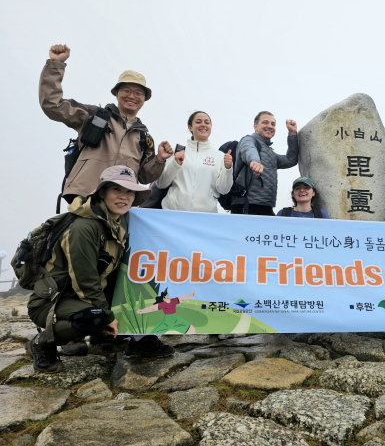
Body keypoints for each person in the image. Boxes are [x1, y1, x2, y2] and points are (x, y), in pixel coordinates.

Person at [26, 166, 174, 373]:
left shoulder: (119, 220)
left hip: (86, 294)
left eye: (129, 191)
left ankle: (140, 340)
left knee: (143, 290)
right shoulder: (84, 228)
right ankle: (42, 343)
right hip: (54, 300)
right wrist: (108, 316)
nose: (124, 197)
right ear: (102, 192)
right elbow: (85, 282)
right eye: (116, 190)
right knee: (95, 318)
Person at [40, 44, 173, 204]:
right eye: (126, 90)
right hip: (85, 197)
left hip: (120, 204)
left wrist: (159, 159)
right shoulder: (94, 116)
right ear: (116, 93)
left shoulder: (144, 138)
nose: (132, 96)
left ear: (144, 99)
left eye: (138, 93)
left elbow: (145, 177)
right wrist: (56, 64)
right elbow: (52, 105)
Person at [154, 111, 233, 212]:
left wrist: (228, 169)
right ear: (190, 127)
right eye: (198, 122)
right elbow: (161, 183)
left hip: (205, 217)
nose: (203, 125)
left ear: (210, 127)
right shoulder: (176, 152)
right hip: (173, 213)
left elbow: (224, 190)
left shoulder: (220, 156)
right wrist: (176, 164)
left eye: (207, 122)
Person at [231, 111, 299, 215]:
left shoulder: (270, 153)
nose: (270, 126)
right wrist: (255, 162)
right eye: (265, 122)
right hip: (246, 205)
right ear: (255, 126)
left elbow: (290, 160)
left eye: (273, 124)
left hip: (266, 206)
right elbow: (249, 150)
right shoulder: (248, 140)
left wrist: (292, 134)